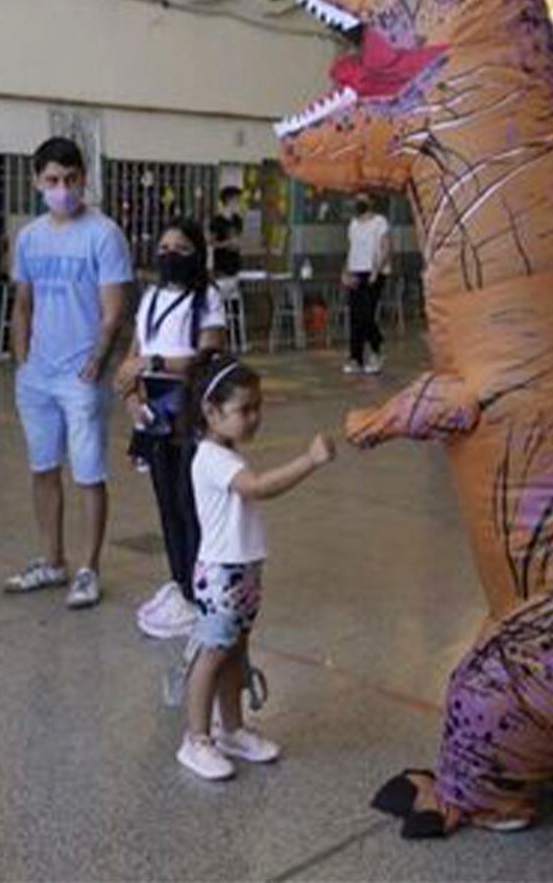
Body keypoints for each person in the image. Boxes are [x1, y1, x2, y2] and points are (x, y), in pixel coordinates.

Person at [174, 353, 336, 781]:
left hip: (243, 570)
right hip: (221, 574)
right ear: (211, 412)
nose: (254, 417)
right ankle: (196, 739)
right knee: (213, 654)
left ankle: (232, 730)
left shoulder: (228, 451)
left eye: (257, 407)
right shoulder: (211, 457)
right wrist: (311, 461)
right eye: (244, 409)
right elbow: (258, 489)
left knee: (236, 651)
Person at [3, 136, 132, 610]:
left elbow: (113, 310)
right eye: (53, 180)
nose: (62, 189)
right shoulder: (31, 237)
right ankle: (52, 559)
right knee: (42, 469)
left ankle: (88, 568)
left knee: (88, 472)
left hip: (81, 376)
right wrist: (23, 360)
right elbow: (22, 303)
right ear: (38, 181)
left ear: (84, 179)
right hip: (37, 374)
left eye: (71, 179)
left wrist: (96, 361)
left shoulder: (103, 234)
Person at [113, 220, 228, 639]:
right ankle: (180, 583)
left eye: (180, 248)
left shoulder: (207, 297)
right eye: (163, 247)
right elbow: (135, 353)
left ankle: (201, 592)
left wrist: (155, 365)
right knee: (165, 500)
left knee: (189, 500)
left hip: (189, 407)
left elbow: (209, 354)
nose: (169, 254)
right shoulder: (151, 296)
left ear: (197, 253)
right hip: (153, 409)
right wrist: (131, 392)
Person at [342, 195, 393, 374]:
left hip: (374, 272)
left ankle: (376, 350)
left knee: (366, 313)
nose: (358, 201)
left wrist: (376, 270)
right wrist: (346, 271)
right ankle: (355, 358)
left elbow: (386, 246)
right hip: (356, 270)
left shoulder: (380, 221)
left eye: (362, 197)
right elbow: (351, 249)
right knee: (355, 315)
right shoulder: (353, 224)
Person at [208, 186, 245, 287]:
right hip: (222, 266)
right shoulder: (216, 221)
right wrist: (228, 243)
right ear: (229, 200)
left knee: (235, 295)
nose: (239, 203)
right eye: (237, 200)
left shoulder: (238, 220)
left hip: (236, 263)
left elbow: (239, 238)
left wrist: (240, 243)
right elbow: (211, 243)